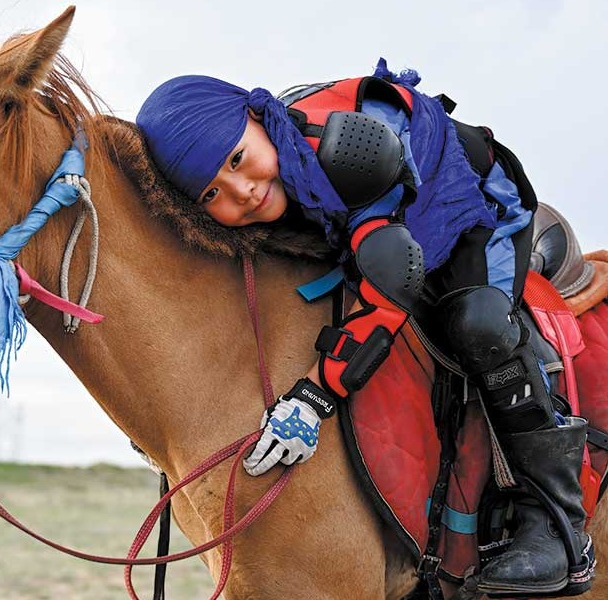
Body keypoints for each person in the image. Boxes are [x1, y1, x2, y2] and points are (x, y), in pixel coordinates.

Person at [136, 59, 593, 597]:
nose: (243, 192)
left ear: (258, 117)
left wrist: (313, 398)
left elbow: (391, 288)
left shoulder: (348, 153)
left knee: (479, 324)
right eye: (212, 194)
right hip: (385, 224)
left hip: (474, 204)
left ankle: (558, 526)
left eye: (238, 159)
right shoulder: (271, 173)